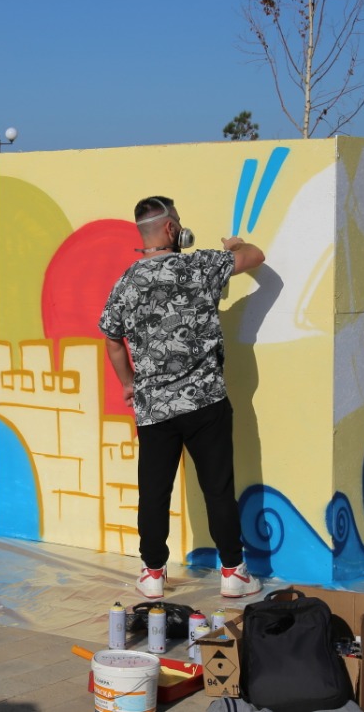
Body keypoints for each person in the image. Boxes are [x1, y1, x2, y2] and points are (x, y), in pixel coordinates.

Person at [97, 195, 265, 600]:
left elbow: (112, 338)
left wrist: (128, 382)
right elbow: (256, 255)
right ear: (172, 229)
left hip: (154, 407)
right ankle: (232, 573)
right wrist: (233, 246)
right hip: (206, 401)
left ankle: (153, 573)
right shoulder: (201, 264)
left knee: (154, 491)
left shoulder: (127, 281)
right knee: (218, 487)